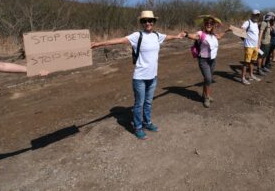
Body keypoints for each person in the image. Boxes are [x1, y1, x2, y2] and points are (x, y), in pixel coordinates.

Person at [91, 10, 185, 140]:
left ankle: (147, 123)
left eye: (150, 21)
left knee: (148, 102)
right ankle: (138, 127)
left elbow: (167, 37)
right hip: (140, 77)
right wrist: (99, 44)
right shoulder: (137, 36)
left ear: (154, 22)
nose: (148, 23)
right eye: (145, 21)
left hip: (153, 77)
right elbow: (120, 40)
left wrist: (177, 36)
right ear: (142, 23)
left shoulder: (157, 35)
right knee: (139, 104)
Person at [185, 15, 231, 108]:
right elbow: (193, 36)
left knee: (207, 79)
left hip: (213, 60)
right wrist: (186, 35)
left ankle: (206, 94)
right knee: (209, 79)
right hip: (204, 61)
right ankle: (206, 98)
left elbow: (220, 36)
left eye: (211, 23)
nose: (208, 24)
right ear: (204, 24)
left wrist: (227, 31)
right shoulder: (201, 33)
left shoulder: (214, 35)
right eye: (207, 23)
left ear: (213, 25)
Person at [240, 10, 261, 85]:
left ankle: (251, 75)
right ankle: (243, 78)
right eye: (255, 15)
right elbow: (242, 29)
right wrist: (243, 35)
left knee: (252, 61)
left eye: (258, 15)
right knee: (246, 62)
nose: (256, 16)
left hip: (255, 46)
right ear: (252, 15)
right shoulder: (247, 22)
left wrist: (258, 43)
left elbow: (257, 35)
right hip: (248, 46)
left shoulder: (256, 24)